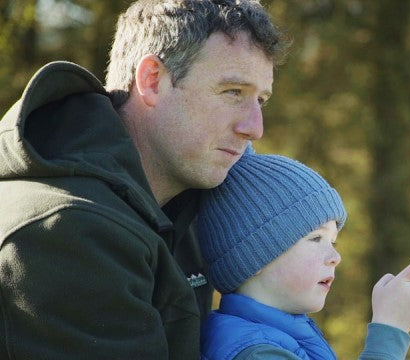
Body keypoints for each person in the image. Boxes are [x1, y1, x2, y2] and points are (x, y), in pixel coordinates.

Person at [0, 0, 286, 358]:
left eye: (261, 100)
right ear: (152, 81)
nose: (254, 128)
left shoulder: (183, 203)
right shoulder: (72, 229)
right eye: (233, 93)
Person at [196, 150, 410, 359]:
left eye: (333, 241)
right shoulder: (255, 352)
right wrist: (389, 331)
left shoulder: (281, 335)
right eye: (316, 238)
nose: (335, 257)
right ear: (253, 257)